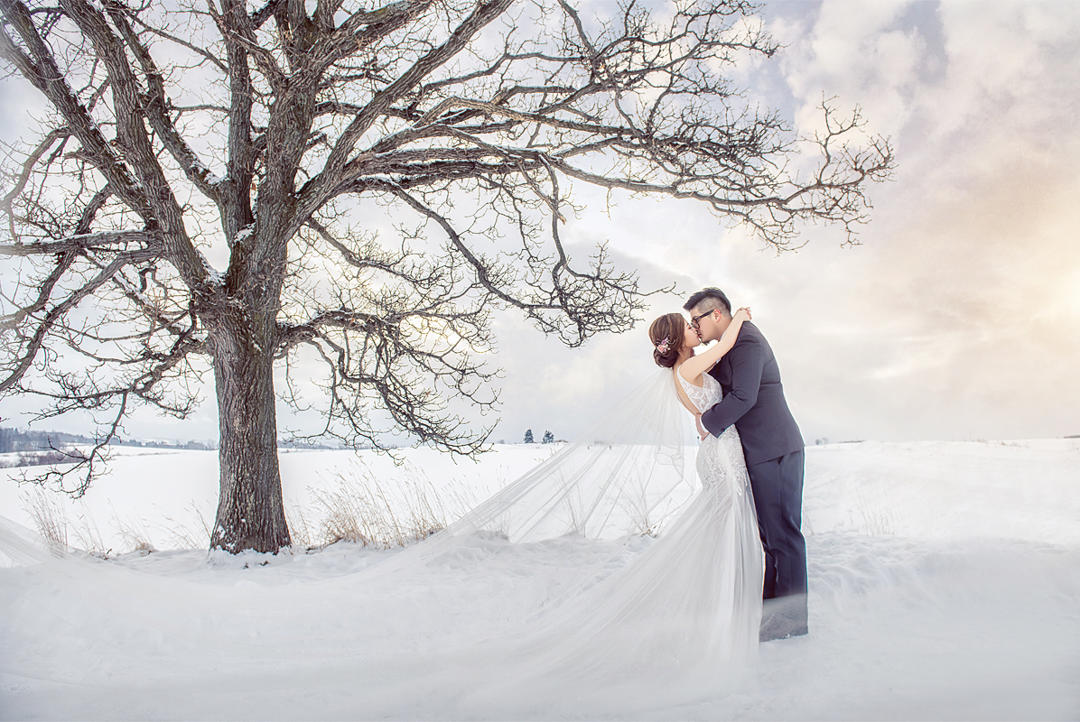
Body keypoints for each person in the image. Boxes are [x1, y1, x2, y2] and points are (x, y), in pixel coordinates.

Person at [684, 287, 807, 640]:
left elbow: (744, 396)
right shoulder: (733, 342)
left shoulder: (747, 342)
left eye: (697, 320)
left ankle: (792, 625)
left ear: (716, 315)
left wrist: (707, 423)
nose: (695, 327)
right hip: (760, 453)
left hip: (776, 449)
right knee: (771, 540)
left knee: (785, 538)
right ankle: (773, 621)